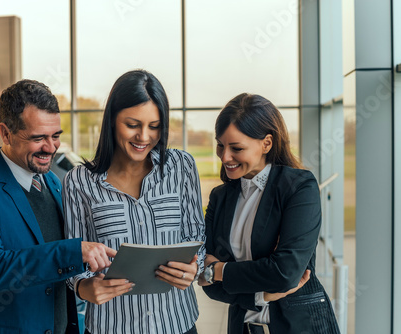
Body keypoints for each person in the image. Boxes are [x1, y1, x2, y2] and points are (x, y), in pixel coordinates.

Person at [0, 79, 116, 334]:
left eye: (56, 136)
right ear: (6, 133)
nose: (51, 148)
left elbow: (59, 260)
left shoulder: (51, 180)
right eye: (38, 138)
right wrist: (73, 252)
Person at [63, 69, 206, 334]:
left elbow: (197, 235)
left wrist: (195, 267)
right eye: (132, 125)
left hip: (177, 322)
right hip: (111, 326)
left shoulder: (181, 167)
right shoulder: (79, 182)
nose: (144, 137)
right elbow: (74, 258)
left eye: (154, 126)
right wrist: (84, 288)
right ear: (112, 120)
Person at [198, 93, 340, 334]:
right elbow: (209, 285)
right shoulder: (220, 197)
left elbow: (285, 272)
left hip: (298, 326)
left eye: (236, 148)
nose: (224, 157)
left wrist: (219, 271)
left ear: (266, 143)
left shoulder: (299, 187)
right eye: (220, 145)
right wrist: (262, 294)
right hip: (243, 327)